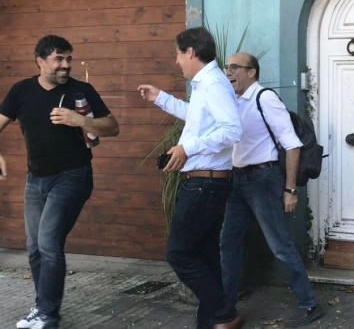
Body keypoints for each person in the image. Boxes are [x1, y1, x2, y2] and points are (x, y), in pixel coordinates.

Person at [0, 35, 120, 329]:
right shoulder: (22, 91)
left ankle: (48, 315)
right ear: (40, 61)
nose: (66, 65)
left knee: (49, 243)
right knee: (34, 246)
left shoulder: (82, 90)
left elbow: (112, 127)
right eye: (59, 59)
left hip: (72, 176)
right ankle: (43, 308)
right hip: (36, 178)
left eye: (69, 59)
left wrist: (81, 121)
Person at [137, 27, 243, 329]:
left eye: (177, 55)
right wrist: (160, 97)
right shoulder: (207, 83)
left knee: (180, 253)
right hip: (205, 182)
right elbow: (197, 118)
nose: (176, 62)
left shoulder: (212, 83)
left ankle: (224, 313)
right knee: (205, 255)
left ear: (190, 52)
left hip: (205, 184)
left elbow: (232, 130)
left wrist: (188, 147)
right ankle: (212, 321)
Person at [220, 52, 324, 328]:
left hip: (264, 180)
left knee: (280, 245)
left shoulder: (264, 98)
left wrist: (290, 189)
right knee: (228, 244)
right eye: (226, 67)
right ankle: (226, 308)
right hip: (238, 181)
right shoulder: (234, 102)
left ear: (252, 72)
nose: (228, 72)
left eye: (234, 68)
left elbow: (292, 145)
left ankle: (309, 304)